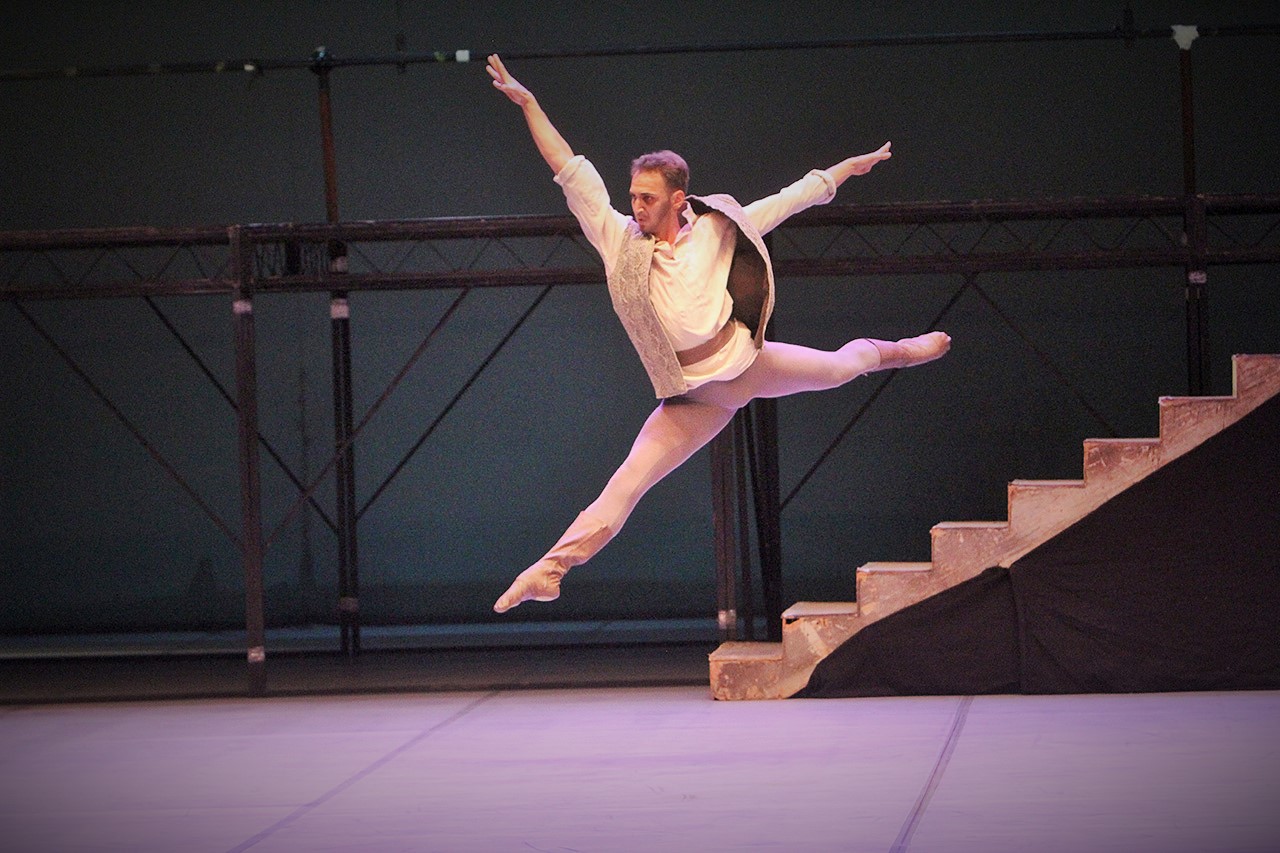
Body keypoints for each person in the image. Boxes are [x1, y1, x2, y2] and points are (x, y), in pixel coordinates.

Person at [486, 54, 950, 614]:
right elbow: (571, 170)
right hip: (692, 398)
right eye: (632, 196)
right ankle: (550, 570)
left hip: (745, 363)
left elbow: (786, 201)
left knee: (839, 368)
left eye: (647, 198)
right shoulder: (619, 240)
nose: (636, 206)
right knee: (626, 485)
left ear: (678, 199)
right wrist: (529, 104)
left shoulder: (716, 227)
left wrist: (842, 172)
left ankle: (901, 351)